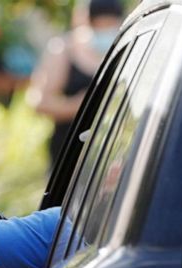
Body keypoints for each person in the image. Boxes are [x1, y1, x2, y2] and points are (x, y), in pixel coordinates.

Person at [27, 0, 124, 167]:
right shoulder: (64, 50)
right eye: (99, 26)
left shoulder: (126, 46)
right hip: (70, 151)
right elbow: (39, 102)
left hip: (111, 154)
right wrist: (79, 105)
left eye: (110, 25)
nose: (105, 31)